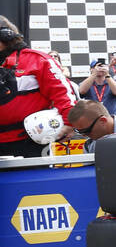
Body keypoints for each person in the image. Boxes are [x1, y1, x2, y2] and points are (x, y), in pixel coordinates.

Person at [0, 16, 77, 158]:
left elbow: (63, 93)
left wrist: (69, 122)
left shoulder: (38, 60)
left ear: (6, 36)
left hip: (29, 143)